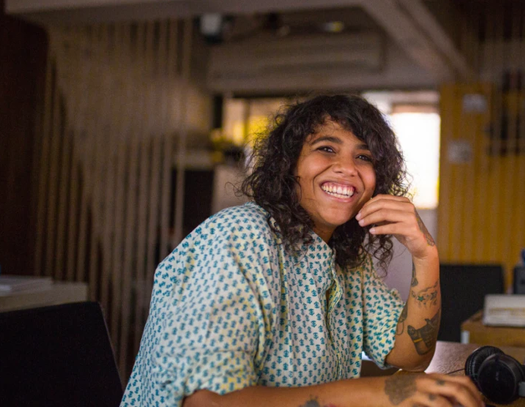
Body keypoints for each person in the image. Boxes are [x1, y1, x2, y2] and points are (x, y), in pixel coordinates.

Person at [121, 95, 483, 407]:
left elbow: (410, 356)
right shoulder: (238, 237)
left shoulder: (345, 259)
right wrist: (377, 393)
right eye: (326, 149)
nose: (346, 168)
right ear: (288, 164)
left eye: (364, 157)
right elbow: (206, 403)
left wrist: (426, 254)